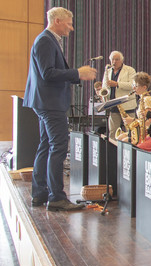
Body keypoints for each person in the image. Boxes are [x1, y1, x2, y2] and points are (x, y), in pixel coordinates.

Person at [23, 7, 96, 211]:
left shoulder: (47, 40)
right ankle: (56, 197)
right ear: (57, 21)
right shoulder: (46, 40)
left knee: (46, 146)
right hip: (50, 103)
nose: (71, 28)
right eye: (68, 23)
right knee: (58, 147)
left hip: (46, 101)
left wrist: (75, 74)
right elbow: (48, 73)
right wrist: (77, 73)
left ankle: (40, 194)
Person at [102, 51, 137, 140]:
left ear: (122, 60)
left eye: (117, 59)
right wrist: (103, 93)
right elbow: (104, 87)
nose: (114, 62)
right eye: (112, 60)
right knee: (113, 132)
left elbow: (133, 86)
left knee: (130, 131)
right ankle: (113, 151)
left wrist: (117, 84)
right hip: (113, 106)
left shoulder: (130, 70)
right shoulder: (108, 71)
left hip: (127, 106)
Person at [116, 72, 151, 144]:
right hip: (140, 130)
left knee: (123, 140)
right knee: (120, 138)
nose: (133, 88)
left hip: (146, 132)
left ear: (144, 87)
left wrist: (132, 120)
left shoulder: (147, 99)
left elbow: (149, 122)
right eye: (133, 85)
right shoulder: (141, 99)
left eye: (136, 86)